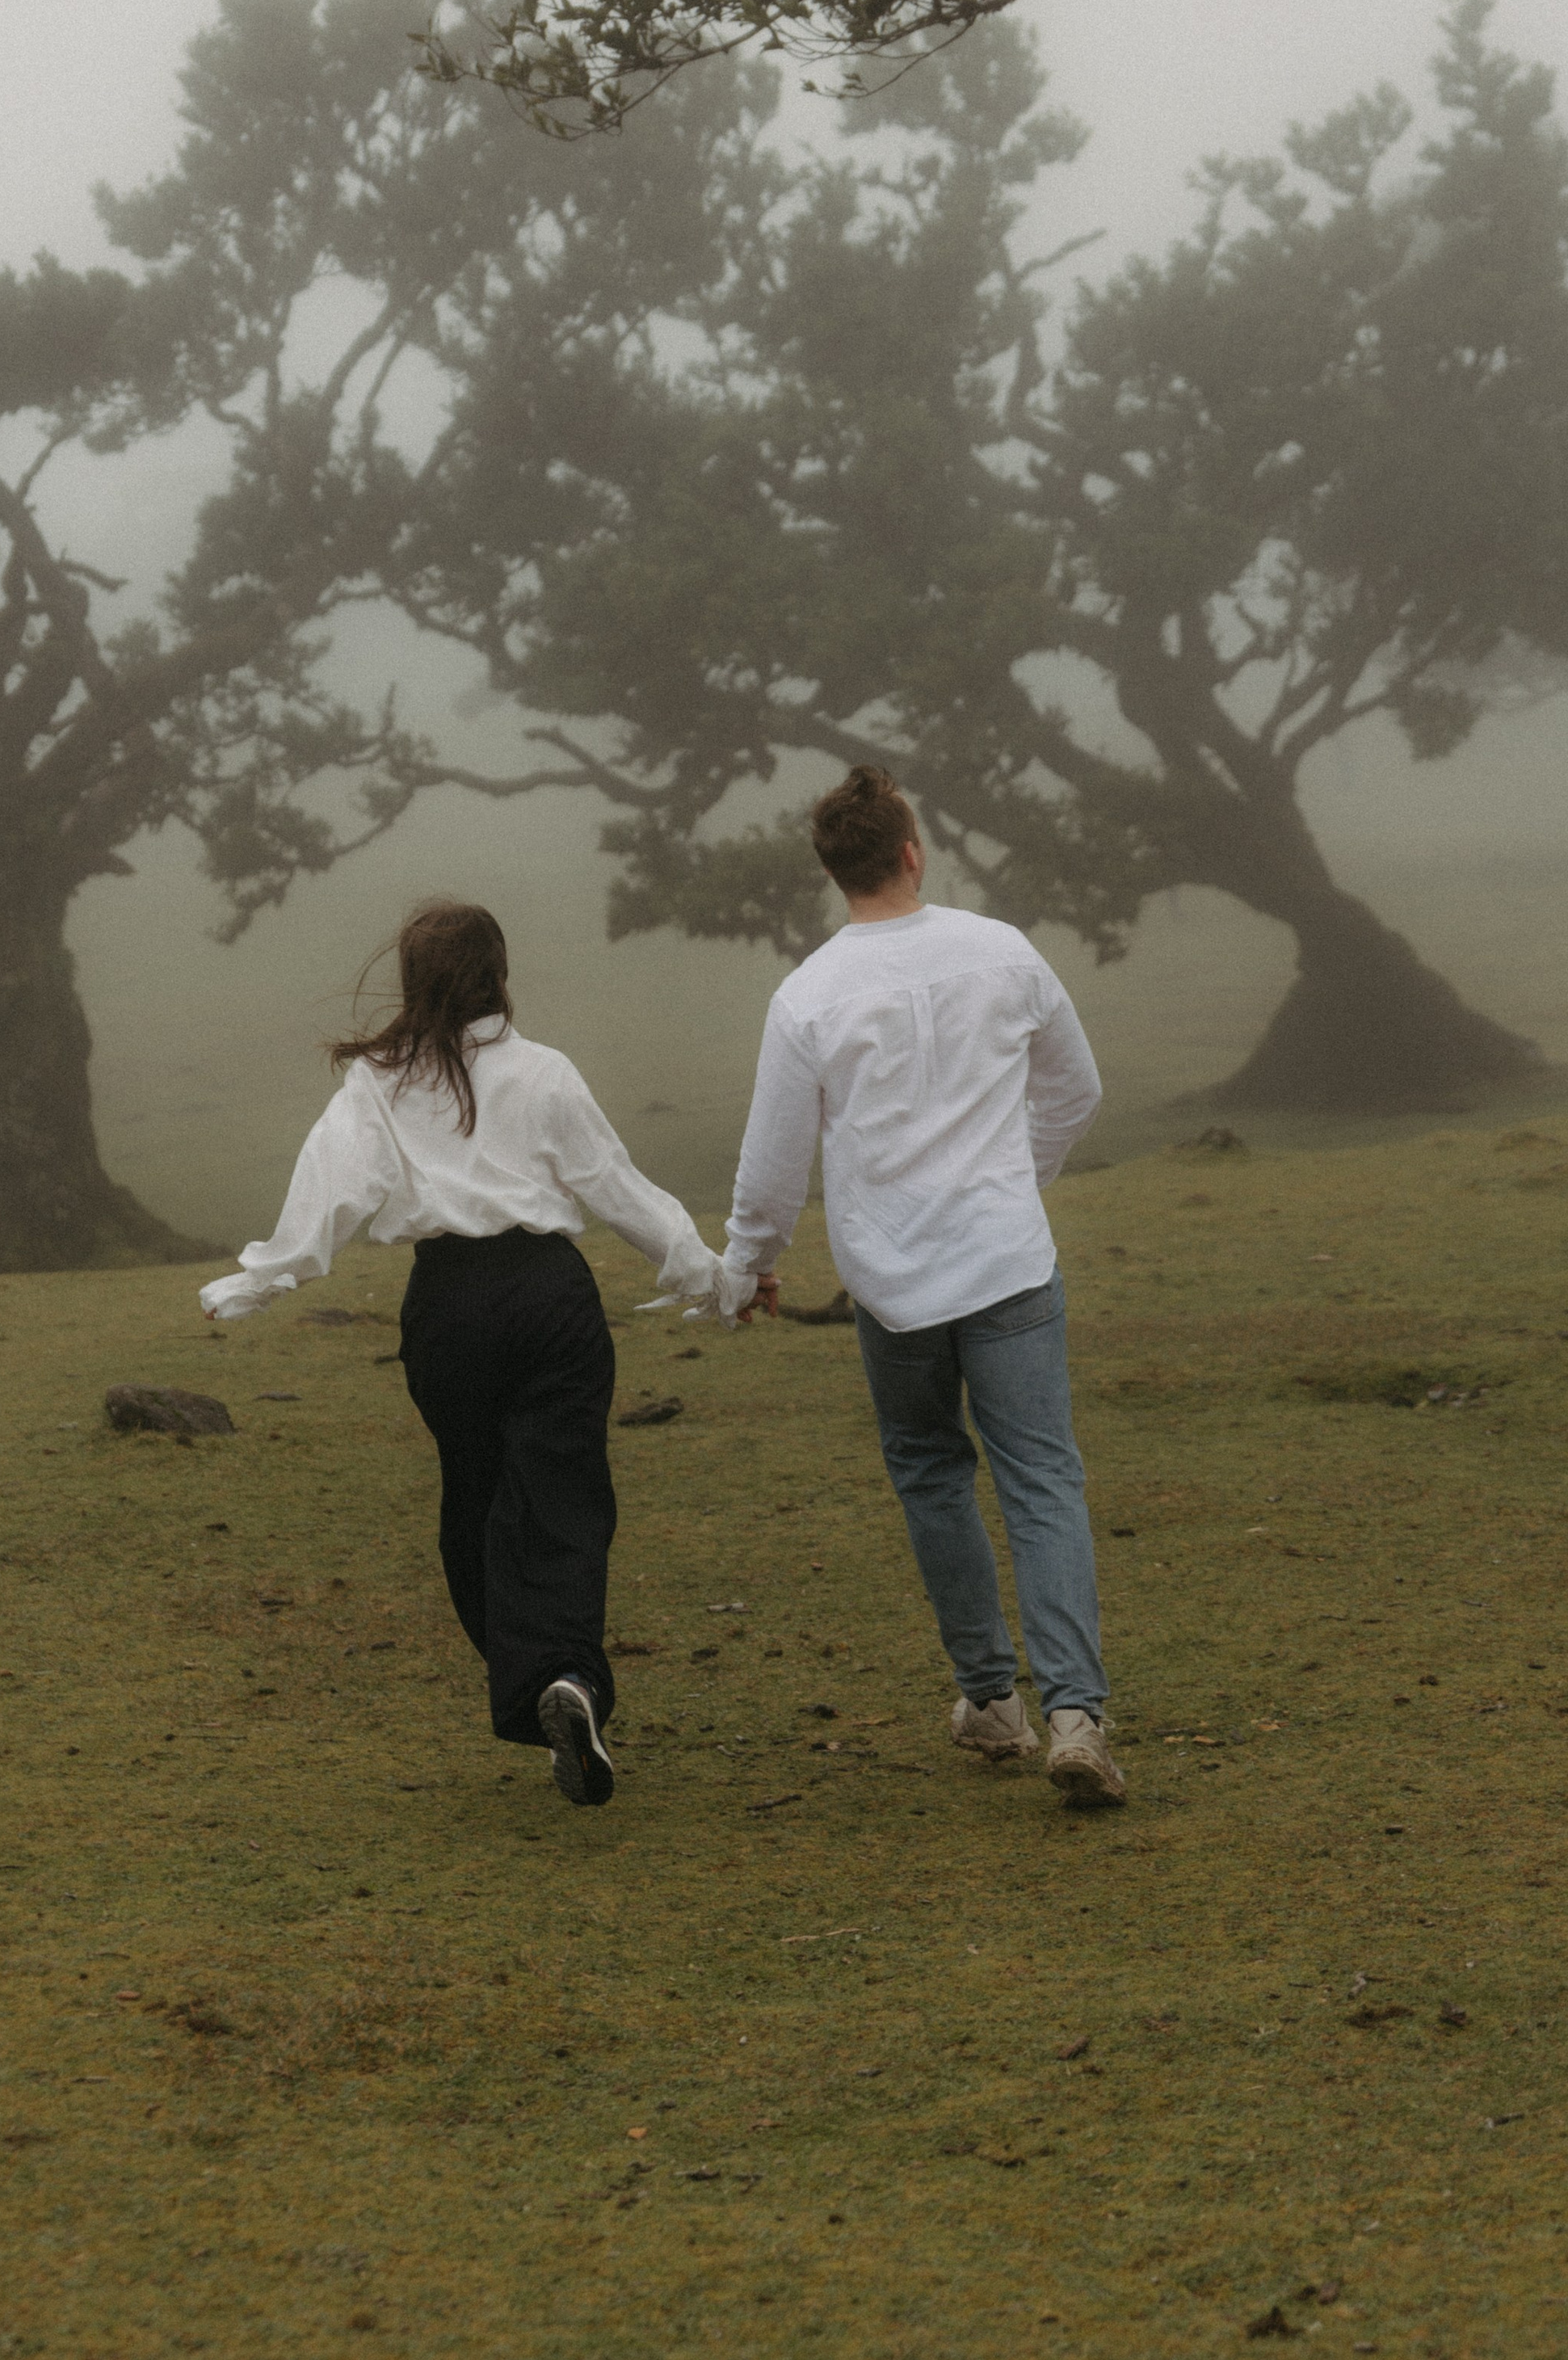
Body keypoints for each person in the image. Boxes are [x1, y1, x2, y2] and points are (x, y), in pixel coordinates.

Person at [198, 899, 754, 1808]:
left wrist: (263, 1279)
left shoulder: (379, 1082)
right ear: (500, 975)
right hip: (550, 1298)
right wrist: (716, 1280)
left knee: (477, 1496)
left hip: (447, 1310)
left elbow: (331, 1189)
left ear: (414, 983)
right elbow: (616, 1188)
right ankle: (563, 1676)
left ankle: (543, 1683)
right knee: (562, 1491)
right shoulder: (544, 1072)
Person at [722, 768, 1125, 1807]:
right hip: (1008, 1260)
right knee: (1042, 1478)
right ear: (912, 852)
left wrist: (751, 1263)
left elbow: (773, 1163)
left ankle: (990, 1699)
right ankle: (1076, 1716)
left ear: (834, 869)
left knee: (931, 1471)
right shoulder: (1004, 952)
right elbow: (1075, 1089)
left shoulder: (808, 995)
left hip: (893, 1280)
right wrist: (1016, 1176)